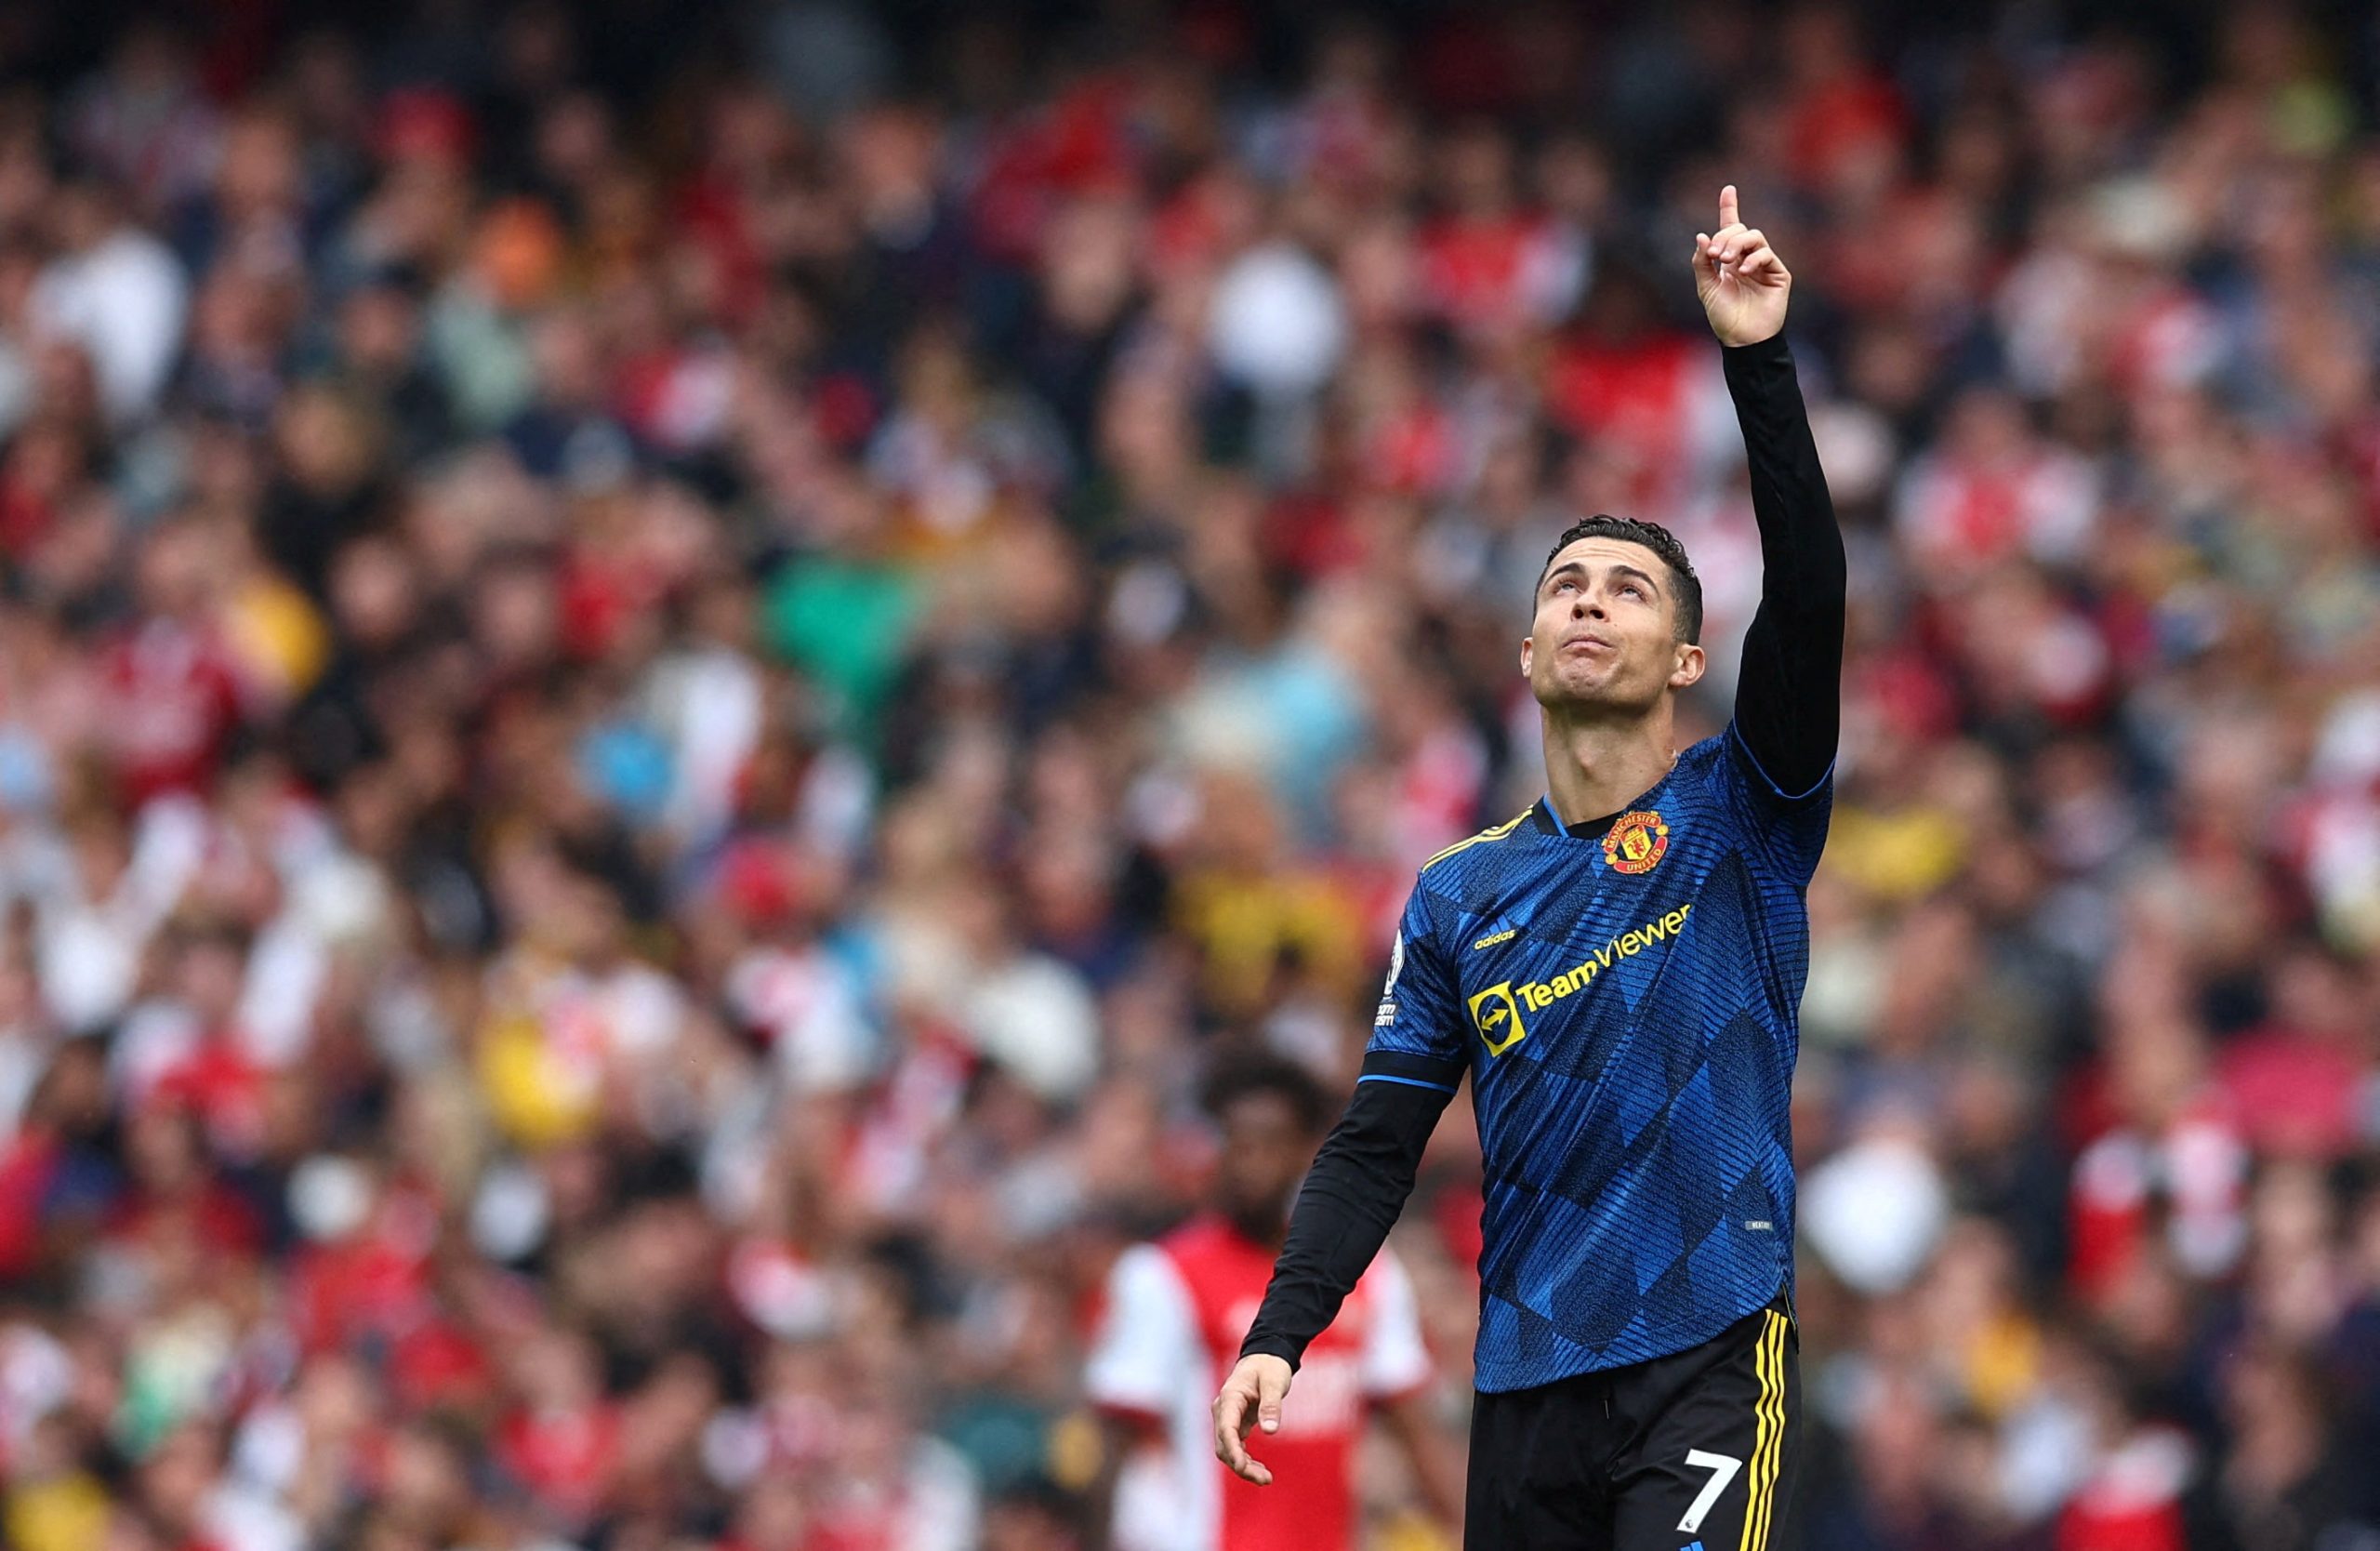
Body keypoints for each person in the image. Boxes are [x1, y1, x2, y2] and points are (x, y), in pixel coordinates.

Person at [1213, 187, 1843, 1550]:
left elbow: (1807, 593)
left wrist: (1758, 360)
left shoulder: (1744, 807)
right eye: (1567, 586)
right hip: (1527, 1376)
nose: (1588, 602)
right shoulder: (1458, 896)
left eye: (1626, 588)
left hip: (1709, 1345)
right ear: (1527, 654)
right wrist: (1284, 1327)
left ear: (1687, 659)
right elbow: (1377, 1138)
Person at [1086, 1052, 1461, 1551]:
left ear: (1309, 1150)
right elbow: (1118, 1445)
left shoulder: (1367, 1272)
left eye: (1269, 1144)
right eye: (1235, 1144)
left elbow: (1417, 1431)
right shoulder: (1164, 1275)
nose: (1249, 1164)